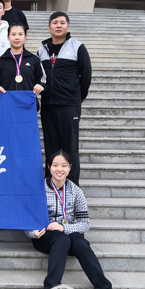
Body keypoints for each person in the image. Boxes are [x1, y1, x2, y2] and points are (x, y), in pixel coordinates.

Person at [27, 150, 123, 289]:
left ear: (70, 168)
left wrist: (64, 228)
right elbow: (26, 218)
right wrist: (32, 232)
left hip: (66, 231)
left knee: (80, 243)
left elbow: (85, 223)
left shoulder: (75, 191)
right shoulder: (38, 189)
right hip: (45, 236)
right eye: (55, 165)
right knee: (62, 241)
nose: (59, 169)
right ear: (49, 167)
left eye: (64, 165)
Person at [38, 12, 91, 185]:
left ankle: (72, 188)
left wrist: (75, 98)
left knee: (70, 148)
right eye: (55, 23)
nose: (58, 25)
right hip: (48, 106)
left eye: (62, 22)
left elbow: (86, 76)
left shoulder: (77, 47)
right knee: (51, 148)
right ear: (49, 27)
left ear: (67, 26)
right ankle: (51, 186)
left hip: (69, 105)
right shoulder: (42, 49)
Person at [0, 23, 46, 99]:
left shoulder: (34, 59)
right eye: (13, 34)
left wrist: (41, 85)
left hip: (28, 103)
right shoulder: (0, 61)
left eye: (20, 34)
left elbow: (43, 80)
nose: (17, 37)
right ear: (8, 37)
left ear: (25, 37)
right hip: (6, 103)